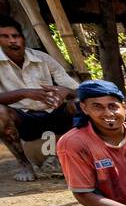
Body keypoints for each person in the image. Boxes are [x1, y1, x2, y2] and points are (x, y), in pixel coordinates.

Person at [0, 15, 78, 182]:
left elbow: (78, 90)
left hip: (55, 113)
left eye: (16, 36)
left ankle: (90, 154)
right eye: (5, 37)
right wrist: (24, 93)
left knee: (81, 103)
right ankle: (24, 164)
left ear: (23, 38)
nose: (12, 41)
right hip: (24, 120)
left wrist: (64, 91)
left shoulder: (42, 58)